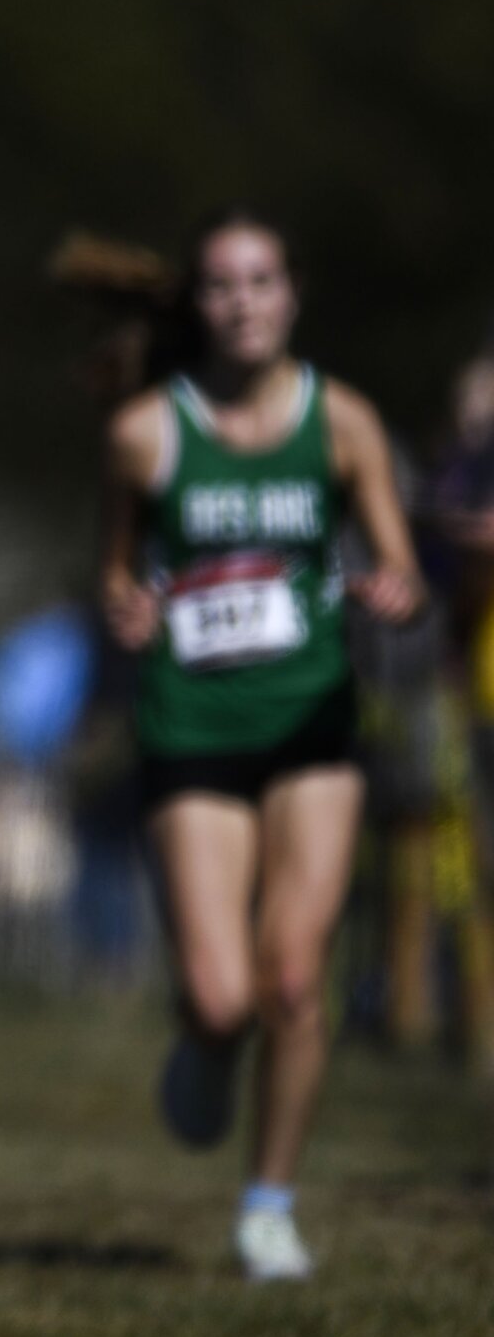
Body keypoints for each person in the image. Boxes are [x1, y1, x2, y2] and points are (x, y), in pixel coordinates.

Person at [99, 209, 423, 1282]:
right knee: (223, 994)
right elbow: (112, 566)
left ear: (292, 295)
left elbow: (402, 569)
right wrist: (125, 606)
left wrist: (390, 588)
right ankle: (201, 1040)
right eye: (225, 285)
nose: (246, 301)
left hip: (313, 727)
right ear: (200, 304)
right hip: (192, 729)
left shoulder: (344, 423)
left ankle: (269, 1204)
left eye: (264, 280)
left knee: (292, 980)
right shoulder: (146, 431)